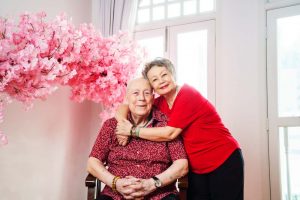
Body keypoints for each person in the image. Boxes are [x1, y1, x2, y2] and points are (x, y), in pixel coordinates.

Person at [116, 58, 244, 200]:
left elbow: (170, 133)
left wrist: (132, 131)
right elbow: (125, 106)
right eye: (155, 79)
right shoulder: (160, 102)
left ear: (172, 74)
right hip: (196, 166)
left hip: (223, 158)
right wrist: (122, 126)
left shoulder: (188, 94)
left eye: (164, 75)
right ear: (152, 86)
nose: (161, 81)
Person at [87, 78, 188, 200]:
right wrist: (116, 183)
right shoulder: (111, 125)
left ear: (153, 97)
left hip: (159, 194)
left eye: (146, 93)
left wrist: (152, 184)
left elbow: (182, 165)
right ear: (127, 98)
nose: (141, 98)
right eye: (135, 93)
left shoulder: (166, 125)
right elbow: (93, 162)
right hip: (116, 195)